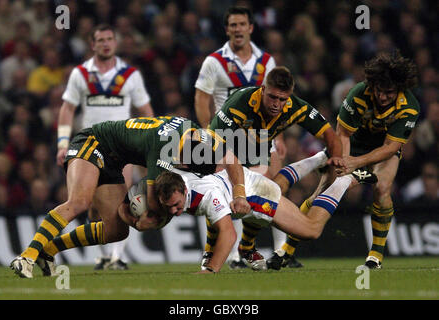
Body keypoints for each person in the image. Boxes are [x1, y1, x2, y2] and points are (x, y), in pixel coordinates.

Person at [9, 116, 245, 278]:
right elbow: (153, 200)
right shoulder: (166, 146)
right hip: (93, 143)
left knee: (116, 231)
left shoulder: (195, 135)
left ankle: (48, 250)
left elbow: (230, 158)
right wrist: (146, 222)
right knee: (79, 202)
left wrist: (239, 193)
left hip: (114, 160)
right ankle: (26, 257)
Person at [267, 50, 420, 270]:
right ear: (372, 86)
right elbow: (343, 134)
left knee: (383, 188)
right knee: (323, 190)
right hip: (352, 144)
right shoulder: (358, 94)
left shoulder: (409, 106)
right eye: (379, 91)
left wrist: (357, 164)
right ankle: (286, 252)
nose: (383, 97)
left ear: (399, 89)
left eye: (389, 92)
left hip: (384, 150)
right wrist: (343, 162)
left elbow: (391, 147)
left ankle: (375, 257)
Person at [202, 65, 344, 270]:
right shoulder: (240, 103)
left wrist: (337, 158)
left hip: (258, 149)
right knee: (219, 191)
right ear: (262, 89)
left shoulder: (297, 107)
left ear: (290, 96)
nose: (277, 104)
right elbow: (215, 144)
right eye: (272, 97)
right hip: (226, 147)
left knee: (270, 194)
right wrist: (236, 185)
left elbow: (331, 135)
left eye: (283, 99)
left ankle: (247, 246)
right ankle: (210, 250)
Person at [143, 164, 376, 273]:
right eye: (169, 207)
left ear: (184, 191)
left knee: (311, 229)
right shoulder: (175, 181)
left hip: (257, 194)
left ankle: (344, 181)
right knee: (239, 220)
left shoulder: (206, 196)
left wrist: (210, 270)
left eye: (176, 205)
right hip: (241, 195)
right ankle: (248, 250)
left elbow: (227, 232)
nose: (174, 211)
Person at [56, 24, 154, 270]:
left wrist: (150, 140)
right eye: (100, 40)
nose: (106, 44)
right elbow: (67, 108)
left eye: (109, 39)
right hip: (90, 147)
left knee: (122, 200)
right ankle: (103, 254)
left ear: (115, 42)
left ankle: (117, 256)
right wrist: (62, 142)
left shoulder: (131, 75)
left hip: (122, 146)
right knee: (90, 205)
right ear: (93, 44)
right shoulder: (80, 73)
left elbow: (145, 111)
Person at [194, 6, 284, 269]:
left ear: (251, 28)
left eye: (241, 24)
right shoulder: (214, 62)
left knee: (273, 188)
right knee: (225, 193)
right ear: (227, 29)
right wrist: (207, 135)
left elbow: (278, 99)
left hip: (260, 138)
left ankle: (278, 251)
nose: (237, 29)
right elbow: (202, 98)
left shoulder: (266, 61)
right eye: (232, 25)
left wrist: (278, 135)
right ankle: (227, 253)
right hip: (227, 138)